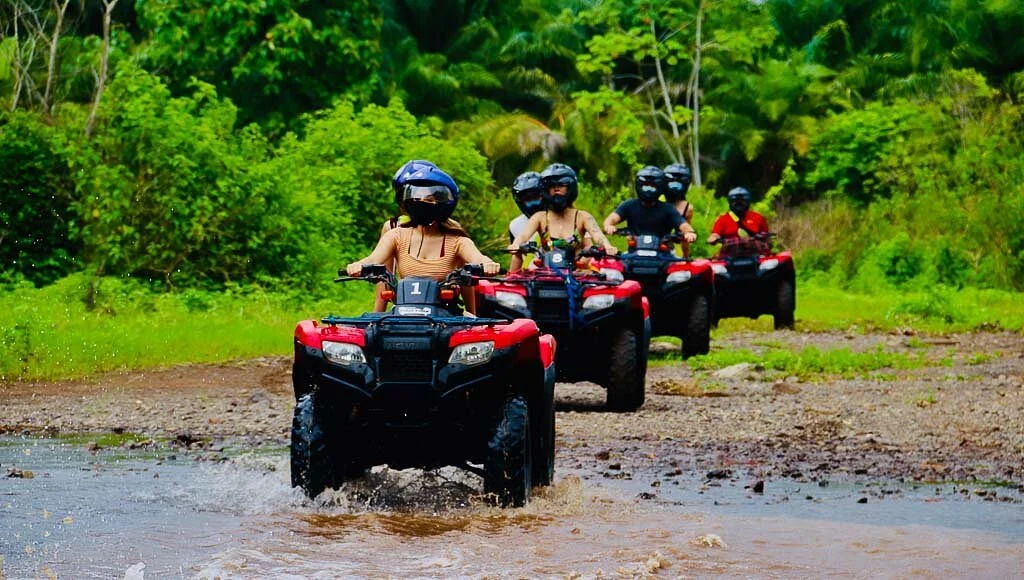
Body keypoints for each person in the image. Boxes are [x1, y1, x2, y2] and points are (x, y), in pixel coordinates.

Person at [348, 164, 499, 313]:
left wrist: (488, 264)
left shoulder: (457, 240)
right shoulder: (396, 235)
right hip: (404, 312)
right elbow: (374, 258)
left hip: (446, 316)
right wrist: (358, 265)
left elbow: (478, 258)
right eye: (417, 196)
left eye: (430, 198)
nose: (422, 201)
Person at [507, 163, 617, 272]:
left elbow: (598, 235)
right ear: (545, 190)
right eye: (551, 186)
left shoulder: (583, 217)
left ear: (570, 188)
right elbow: (523, 236)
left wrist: (607, 246)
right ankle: (510, 283)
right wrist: (516, 245)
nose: (556, 189)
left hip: (577, 275)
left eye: (561, 185)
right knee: (519, 260)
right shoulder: (539, 218)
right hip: (546, 274)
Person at [602, 166, 697, 246]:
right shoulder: (629, 205)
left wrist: (689, 232)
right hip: (633, 253)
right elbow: (612, 218)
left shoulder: (668, 209)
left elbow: (683, 224)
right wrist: (608, 226)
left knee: (679, 268)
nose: (648, 190)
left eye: (652, 186)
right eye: (645, 185)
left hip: (664, 254)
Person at [508, 171, 545, 243]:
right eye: (527, 198)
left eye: (535, 196)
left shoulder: (558, 217)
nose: (532, 203)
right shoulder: (515, 225)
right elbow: (514, 251)